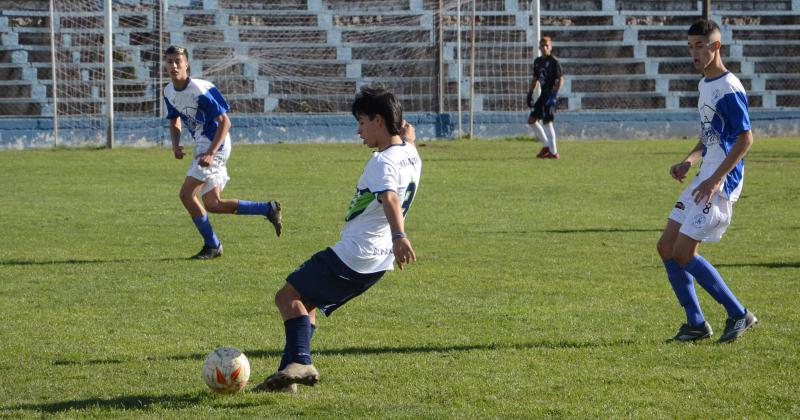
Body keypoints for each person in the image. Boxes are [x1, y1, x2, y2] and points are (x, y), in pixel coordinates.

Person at [253, 87, 422, 393]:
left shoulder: (382, 162)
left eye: (361, 122)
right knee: (307, 303)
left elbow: (390, 198)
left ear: (379, 121)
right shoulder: (410, 153)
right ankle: (285, 376)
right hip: (376, 260)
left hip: (357, 252)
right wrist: (405, 131)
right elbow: (407, 135)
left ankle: (301, 362)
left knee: (286, 297)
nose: (358, 131)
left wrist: (400, 236)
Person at [656, 19, 757, 343]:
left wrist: (715, 180)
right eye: (690, 47)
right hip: (704, 175)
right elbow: (711, 134)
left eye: (700, 46)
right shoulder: (705, 84)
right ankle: (696, 323)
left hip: (720, 182)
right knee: (667, 248)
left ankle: (740, 314)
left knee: (685, 253)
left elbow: (745, 139)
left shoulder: (727, 87)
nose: (694, 53)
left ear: (716, 47)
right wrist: (689, 159)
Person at [163, 45, 282, 260]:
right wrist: (175, 144)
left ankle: (212, 245)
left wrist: (210, 152)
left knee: (186, 194)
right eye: (169, 61)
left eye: (177, 61)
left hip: (215, 144)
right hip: (203, 146)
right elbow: (174, 120)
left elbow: (225, 123)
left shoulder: (199, 90)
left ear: (186, 64)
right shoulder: (168, 91)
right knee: (212, 203)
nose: (173, 66)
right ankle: (267, 209)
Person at [526, 36, 564, 159]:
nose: (544, 47)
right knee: (532, 120)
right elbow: (535, 78)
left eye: (546, 45)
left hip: (550, 95)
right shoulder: (537, 61)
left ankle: (554, 152)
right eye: (542, 45)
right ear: (539, 47)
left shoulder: (554, 61)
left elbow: (560, 79)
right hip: (542, 95)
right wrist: (530, 92)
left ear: (550, 47)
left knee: (547, 122)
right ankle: (547, 146)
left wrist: (554, 96)